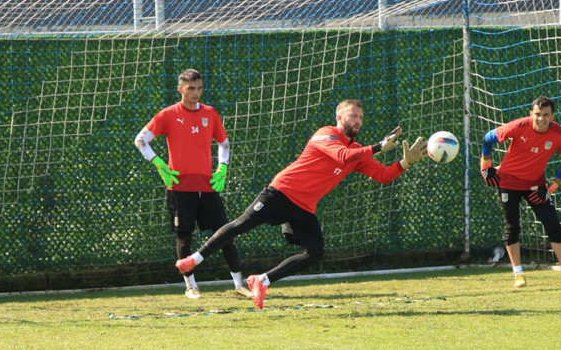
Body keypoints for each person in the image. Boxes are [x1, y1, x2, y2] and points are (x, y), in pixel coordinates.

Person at [175, 99, 429, 309]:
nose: (358, 121)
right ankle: (194, 260)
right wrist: (378, 146)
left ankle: (262, 280)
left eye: (361, 117)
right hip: (280, 192)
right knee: (241, 225)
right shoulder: (325, 134)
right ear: (339, 117)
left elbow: (383, 176)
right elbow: (342, 155)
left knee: (315, 252)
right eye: (353, 116)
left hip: (304, 207)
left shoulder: (358, 151)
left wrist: (405, 163)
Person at [134, 68, 252, 300]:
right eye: (190, 89)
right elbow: (140, 140)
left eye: (199, 88)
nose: (195, 93)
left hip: (208, 187)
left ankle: (239, 284)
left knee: (225, 234)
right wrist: (158, 163)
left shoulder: (210, 113)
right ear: (180, 90)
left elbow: (224, 143)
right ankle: (191, 286)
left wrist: (222, 167)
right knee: (184, 236)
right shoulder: (167, 115)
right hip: (179, 187)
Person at [480, 95, 561, 288]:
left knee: (553, 224)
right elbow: (488, 138)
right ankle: (518, 275)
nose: (541, 119)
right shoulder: (518, 126)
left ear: (552, 116)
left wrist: (551, 187)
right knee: (512, 227)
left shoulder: (560, 136)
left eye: (546, 115)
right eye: (538, 114)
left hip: (535, 186)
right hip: (508, 182)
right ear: (531, 114)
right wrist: (486, 166)